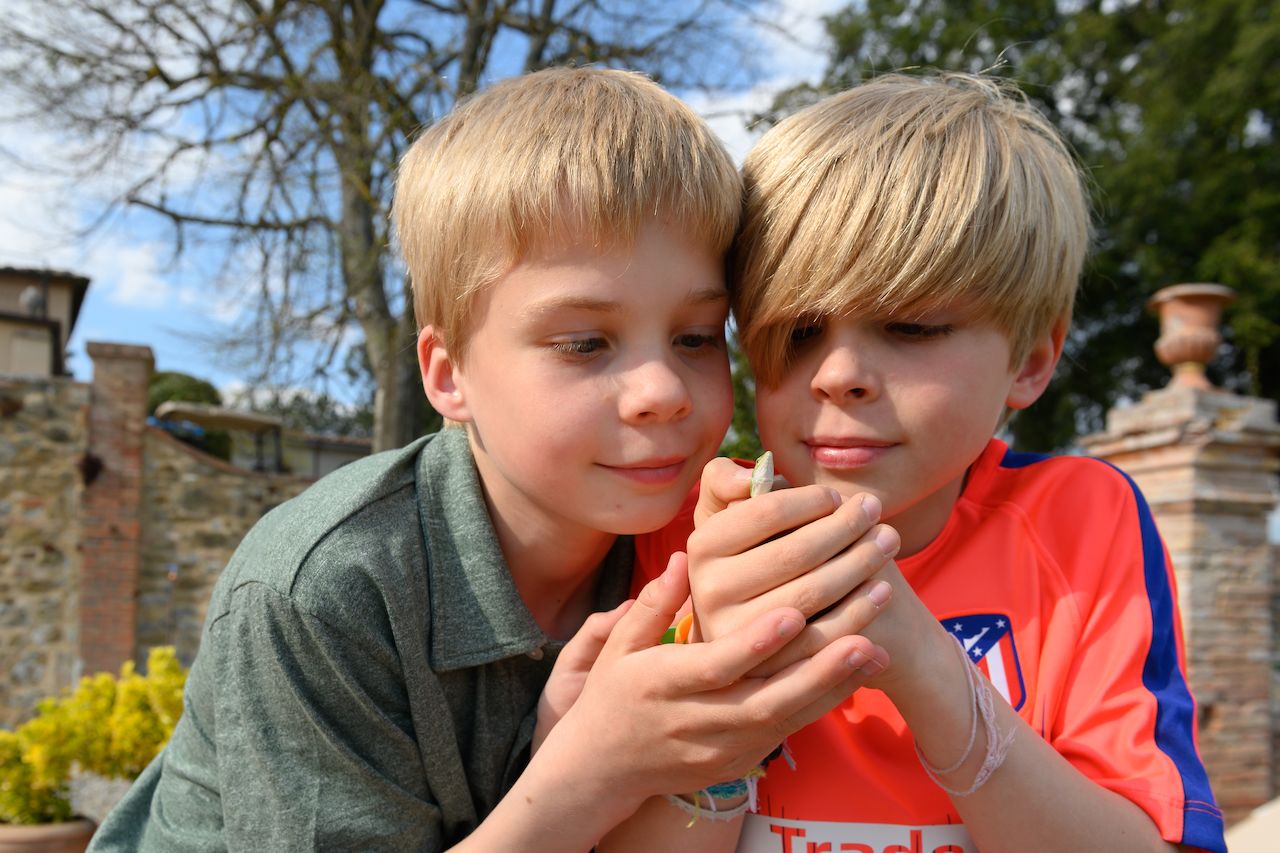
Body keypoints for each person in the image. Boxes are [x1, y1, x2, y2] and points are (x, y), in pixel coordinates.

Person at [88, 67, 895, 853]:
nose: (663, 389)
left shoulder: (692, 543)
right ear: (449, 374)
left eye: (694, 337)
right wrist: (592, 771)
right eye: (584, 342)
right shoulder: (327, 588)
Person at [640, 73, 1226, 852]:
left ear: (1033, 357)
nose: (836, 373)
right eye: (800, 326)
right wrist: (720, 675)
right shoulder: (683, 528)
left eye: (911, 326)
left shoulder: (1079, 520)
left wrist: (927, 667)